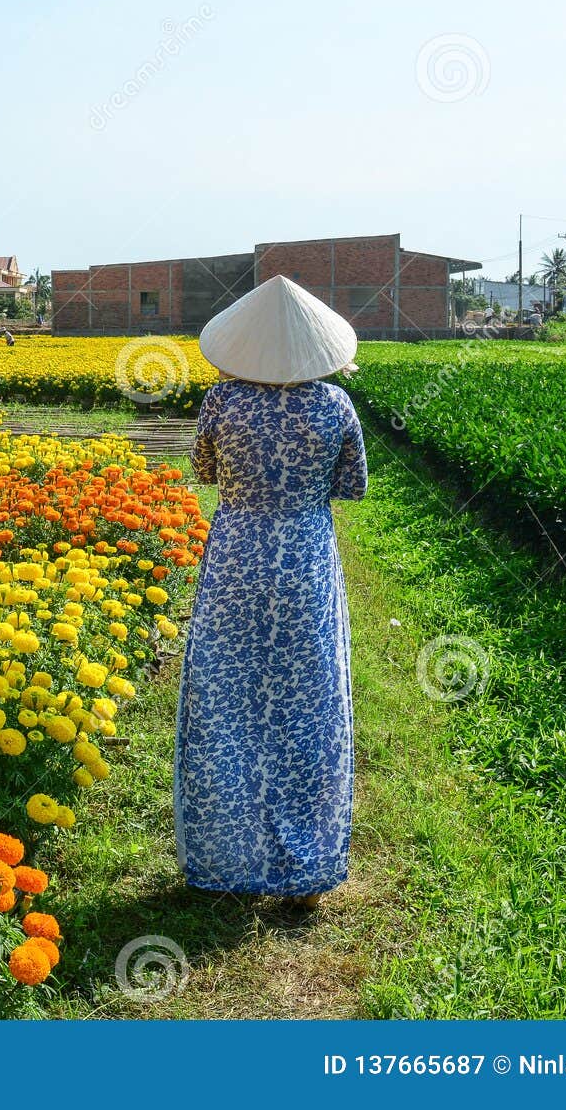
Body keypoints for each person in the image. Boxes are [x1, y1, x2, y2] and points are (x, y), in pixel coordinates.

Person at [176, 275, 367, 909]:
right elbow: (351, 486)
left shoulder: (220, 402)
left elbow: (204, 471)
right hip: (305, 561)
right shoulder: (335, 406)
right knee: (310, 701)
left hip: (235, 556)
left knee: (225, 696)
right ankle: (306, 864)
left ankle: (228, 857)